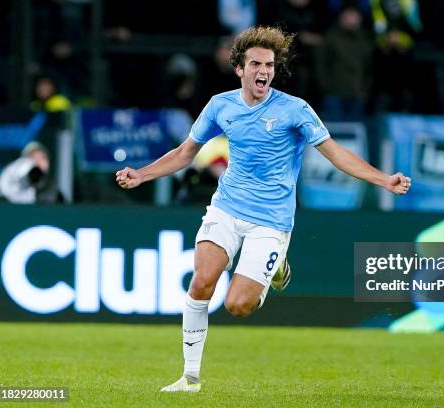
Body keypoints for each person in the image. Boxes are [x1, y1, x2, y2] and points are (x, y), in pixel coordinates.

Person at [115, 26, 411, 393]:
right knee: (202, 280)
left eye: (269, 65)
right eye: (255, 63)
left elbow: (335, 153)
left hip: (270, 221)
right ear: (239, 68)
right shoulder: (220, 106)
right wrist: (141, 175)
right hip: (226, 207)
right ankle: (190, 377)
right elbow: (185, 153)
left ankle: (277, 268)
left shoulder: (295, 110)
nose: (264, 71)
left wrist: (383, 180)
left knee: (238, 305)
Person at [0, 141, 64, 204]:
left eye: (42, 158)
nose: (38, 162)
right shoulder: (3, 190)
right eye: (33, 157)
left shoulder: (55, 195)